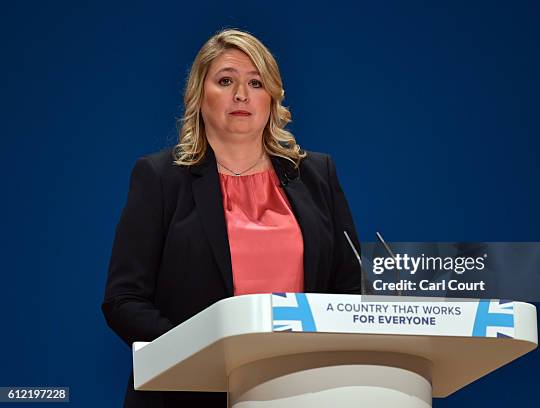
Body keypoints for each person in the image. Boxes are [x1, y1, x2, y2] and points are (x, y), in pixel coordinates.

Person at [101, 28, 361, 407]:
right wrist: (201, 355)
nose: (241, 94)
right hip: (189, 392)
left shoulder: (317, 175)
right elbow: (124, 300)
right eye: (226, 80)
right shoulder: (160, 178)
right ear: (199, 95)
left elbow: (350, 287)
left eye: (256, 82)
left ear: (272, 97)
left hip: (303, 389)